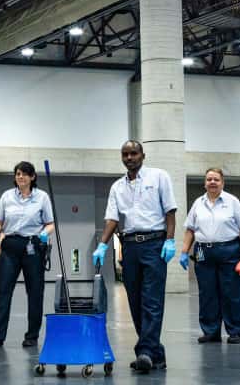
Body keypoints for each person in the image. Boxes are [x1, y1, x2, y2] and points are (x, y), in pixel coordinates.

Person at [91, 140, 177, 374]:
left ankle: (146, 352)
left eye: (133, 153)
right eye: (125, 154)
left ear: (142, 155)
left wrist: (170, 240)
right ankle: (153, 354)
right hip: (129, 247)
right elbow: (112, 219)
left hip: (154, 244)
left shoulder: (159, 177)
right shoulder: (117, 187)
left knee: (152, 300)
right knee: (135, 302)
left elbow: (170, 211)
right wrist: (102, 246)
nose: (129, 157)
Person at [0, 162, 55, 349]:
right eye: (17, 174)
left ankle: (32, 336)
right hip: (11, 245)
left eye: (24, 174)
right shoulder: (7, 196)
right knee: (2, 291)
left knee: (35, 292)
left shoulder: (42, 197)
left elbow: (50, 223)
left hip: (33, 245)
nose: (20, 177)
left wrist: (45, 233)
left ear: (32, 177)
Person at [179, 168, 240, 344]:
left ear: (222, 182)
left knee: (232, 293)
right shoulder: (198, 203)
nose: (212, 182)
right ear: (205, 183)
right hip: (203, 252)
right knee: (207, 294)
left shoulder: (232, 201)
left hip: (230, 251)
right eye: (209, 179)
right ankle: (211, 331)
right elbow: (190, 229)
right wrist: (184, 252)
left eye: (216, 179)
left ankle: (235, 331)